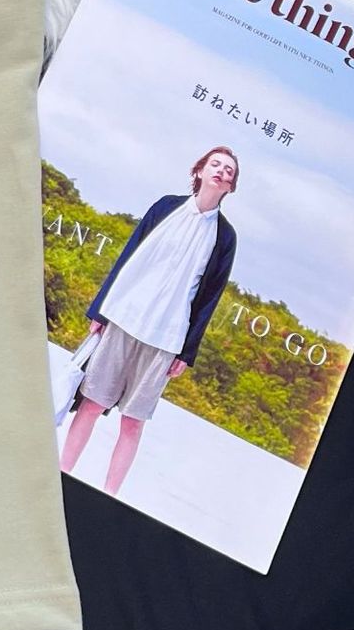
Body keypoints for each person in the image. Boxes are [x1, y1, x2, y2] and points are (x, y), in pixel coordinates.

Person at [59, 147, 240, 496]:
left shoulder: (224, 237)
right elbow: (129, 256)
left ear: (231, 186)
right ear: (200, 171)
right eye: (215, 164)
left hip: (166, 339)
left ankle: (109, 497)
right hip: (125, 319)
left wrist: (186, 353)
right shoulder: (166, 207)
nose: (221, 171)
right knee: (92, 404)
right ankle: (62, 475)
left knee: (133, 422)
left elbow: (209, 298)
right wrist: (100, 311)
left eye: (229, 170)